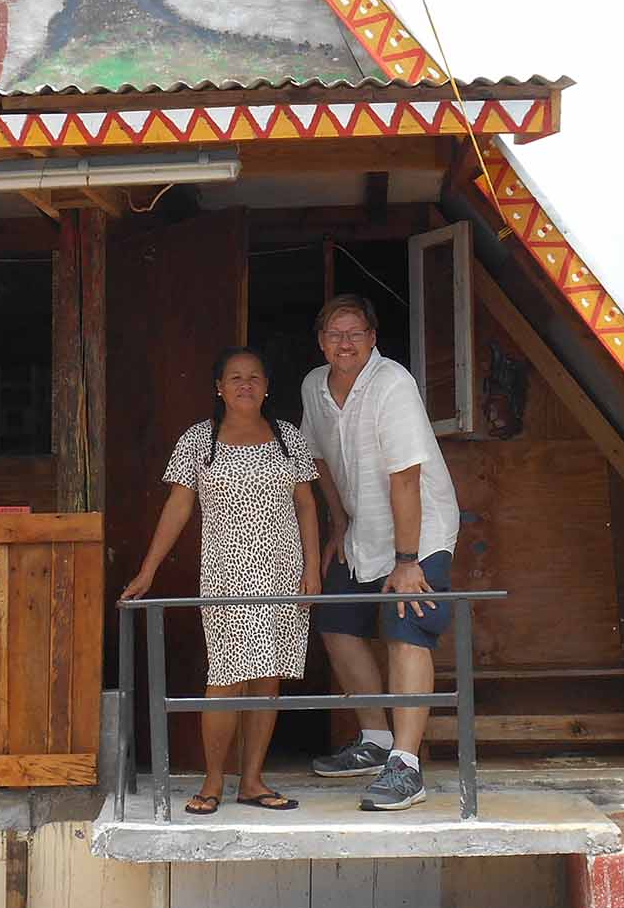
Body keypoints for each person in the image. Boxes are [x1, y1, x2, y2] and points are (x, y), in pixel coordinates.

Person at [121, 347, 322, 815]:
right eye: (235, 378)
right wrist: (148, 569)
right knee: (227, 677)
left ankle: (252, 780)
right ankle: (213, 781)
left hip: (282, 575)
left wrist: (311, 567)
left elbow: (307, 505)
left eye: (255, 377)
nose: (246, 385)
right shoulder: (199, 439)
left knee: (267, 681)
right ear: (219, 387)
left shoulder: (288, 438)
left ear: (267, 386)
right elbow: (178, 506)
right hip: (227, 575)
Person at [300, 295, 460, 811]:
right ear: (321, 340)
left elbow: (406, 476)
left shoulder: (392, 383)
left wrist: (408, 559)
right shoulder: (313, 385)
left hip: (420, 528)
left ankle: (406, 766)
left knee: (406, 626)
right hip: (360, 528)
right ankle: (376, 739)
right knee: (337, 625)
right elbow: (317, 457)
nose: (344, 343)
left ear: (372, 338)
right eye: (333, 334)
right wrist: (338, 522)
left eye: (355, 333)